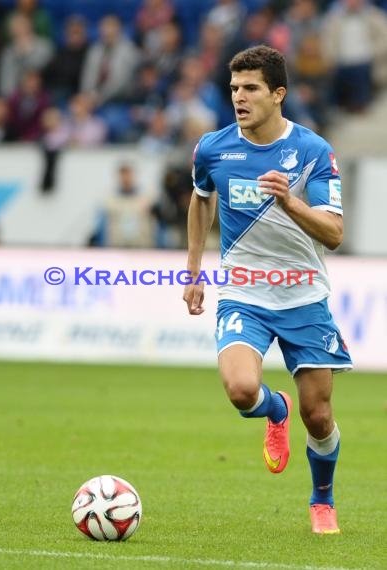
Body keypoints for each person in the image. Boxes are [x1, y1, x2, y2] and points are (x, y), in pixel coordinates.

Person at [183, 45, 353, 534]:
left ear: (278, 94)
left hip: (302, 295)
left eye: (251, 88)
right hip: (244, 292)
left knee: (318, 416)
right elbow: (200, 201)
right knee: (240, 390)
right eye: (234, 88)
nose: (240, 97)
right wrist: (193, 270)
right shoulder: (213, 148)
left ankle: (322, 498)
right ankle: (272, 408)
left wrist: (290, 202)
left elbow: (335, 234)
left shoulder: (313, 152)